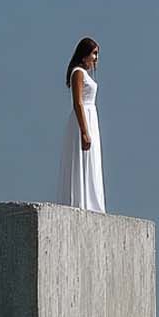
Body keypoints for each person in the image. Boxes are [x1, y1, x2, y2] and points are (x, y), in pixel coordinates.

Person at [57, 37, 105, 213]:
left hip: (91, 117)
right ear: (84, 55)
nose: (96, 58)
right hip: (83, 118)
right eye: (94, 53)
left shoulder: (84, 73)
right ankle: (81, 202)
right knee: (82, 158)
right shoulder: (78, 72)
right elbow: (77, 102)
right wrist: (84, 131)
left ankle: (93, 202)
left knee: (92, 160)